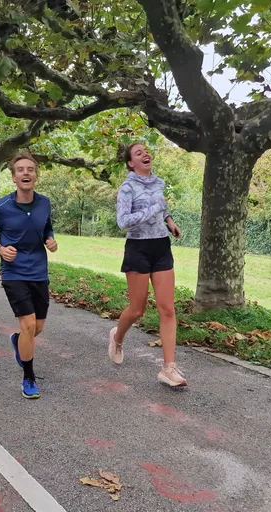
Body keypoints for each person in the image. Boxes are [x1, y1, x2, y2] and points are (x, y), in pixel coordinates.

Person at [0, 153, 58, 399]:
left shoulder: (44, 202)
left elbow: (47, 226)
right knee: (27, 325)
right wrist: (0, 249)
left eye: (31, 169)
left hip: (38, 270)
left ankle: (17, 341)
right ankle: (28, 378)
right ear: (14, 177)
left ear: (36, 176)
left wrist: (50, 239)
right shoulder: (1, 207)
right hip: (13, 272)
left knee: (38, 327)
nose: (26, 173)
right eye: (21, 170)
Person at [110, 142, 186, 387]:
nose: (146, 154)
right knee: (137, 310)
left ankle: (168, 368)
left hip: (161, 246)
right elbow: (123, 221)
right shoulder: (127, 188)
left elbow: (161, 210)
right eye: (139, 153)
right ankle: (117, 337)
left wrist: (169, 220)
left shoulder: (159, 183)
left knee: (167, 308)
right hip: (138, 248)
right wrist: (157, 207)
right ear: (131, 163)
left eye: (146, 151)